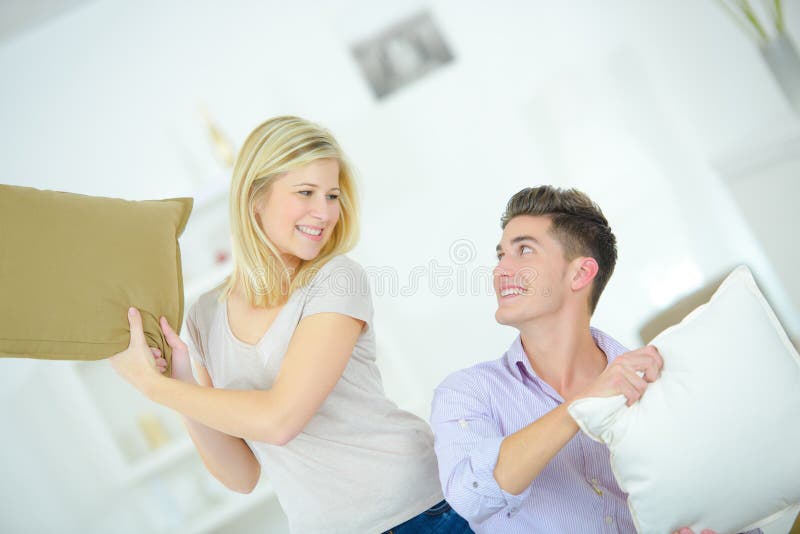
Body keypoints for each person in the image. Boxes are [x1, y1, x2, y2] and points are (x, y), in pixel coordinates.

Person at [110, 116, 472, 534]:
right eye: (306, 193)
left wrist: (155, 388)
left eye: (332, 195)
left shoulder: (335, 278)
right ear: (255, 198)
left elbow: (280, 419)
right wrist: (180, 382)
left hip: (421, 512)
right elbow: (240, 476)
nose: (324, 212)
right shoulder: (205, 316)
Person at [429, 185, 759, 534]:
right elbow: (470, 496)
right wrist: (584, 404)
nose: (501, 271)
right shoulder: (467, 393)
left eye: (524, 250)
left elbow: (733, 504)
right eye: (500, 256)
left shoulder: (662, 383)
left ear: (580, 274)